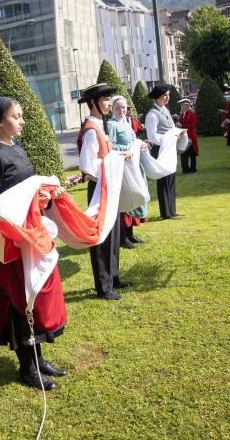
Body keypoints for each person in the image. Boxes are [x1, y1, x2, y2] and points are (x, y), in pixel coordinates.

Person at [0, 96, 68, 391]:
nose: (22, 121)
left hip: (32, 233)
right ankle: (27, 368)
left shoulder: (16, 147)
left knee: (36, 295)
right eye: (16, 116)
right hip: (11, 240)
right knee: (20, 301)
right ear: (1, 120)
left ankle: (38, 358)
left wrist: (44, 195)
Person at [78, 83, 132, 300]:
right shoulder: (92, 129)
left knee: (114, 231)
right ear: (94, 103)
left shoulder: (99, 124)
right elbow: (88, 166)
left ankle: (114, 277)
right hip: (100, 187)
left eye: (109, 99)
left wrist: (118, 157)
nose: (109, 104)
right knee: (102, 236)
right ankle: (103, 286)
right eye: (105, 100)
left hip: (108, 185)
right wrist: (110, 166)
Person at [107, 95, 148, 249]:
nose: (121, 110)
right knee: (124, 201)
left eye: (123, 107)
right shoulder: (112, 124)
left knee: (133, 198)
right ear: (112, 109)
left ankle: (130, 234)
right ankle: (122, 238)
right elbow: (112, 146)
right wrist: (130, 149)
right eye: (118, 108)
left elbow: (132, 140)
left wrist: (139, 145)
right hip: (122, 166)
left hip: (133, 164)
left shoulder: (127, 122)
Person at [145, 85, 178, 220]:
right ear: (156, 98)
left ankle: (172, 210)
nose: (167, 97)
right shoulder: (152, 114)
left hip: (169, 147)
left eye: (168, 95)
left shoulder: (165, 110)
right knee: (163, 180)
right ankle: (165, 212)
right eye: (164, 95)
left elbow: (171, 127)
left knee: (171, 177)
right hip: (160, 149)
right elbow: (152, 136)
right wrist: (167, 140)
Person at [177, 98, 199, 173]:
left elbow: (193, 124)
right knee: (183, 153)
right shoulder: (182, 113)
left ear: (187, 105)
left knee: (192, 153)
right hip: (183, 136)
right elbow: (180, 122)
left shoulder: (192, 113)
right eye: (181, 104)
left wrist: (182, 125)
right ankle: (185, 169)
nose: (181, 106)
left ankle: (193, 168)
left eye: (182, 104)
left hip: (190, 135)